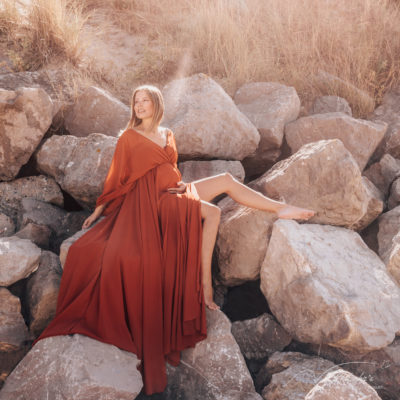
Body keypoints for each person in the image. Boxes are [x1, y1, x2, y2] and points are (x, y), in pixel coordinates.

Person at [34, 84, 314, 395]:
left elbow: (171, 170)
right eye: (136, 101)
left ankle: (281, 209)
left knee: (225, 182)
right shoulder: (128, 137)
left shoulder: (167, 133)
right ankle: (205, 287)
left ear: (156, 104)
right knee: (213, 214)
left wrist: (182, 187)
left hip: (174, 192)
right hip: (150, 202)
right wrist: (98, 212)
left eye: (144, 101)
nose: (139, 106)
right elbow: (117, 179)